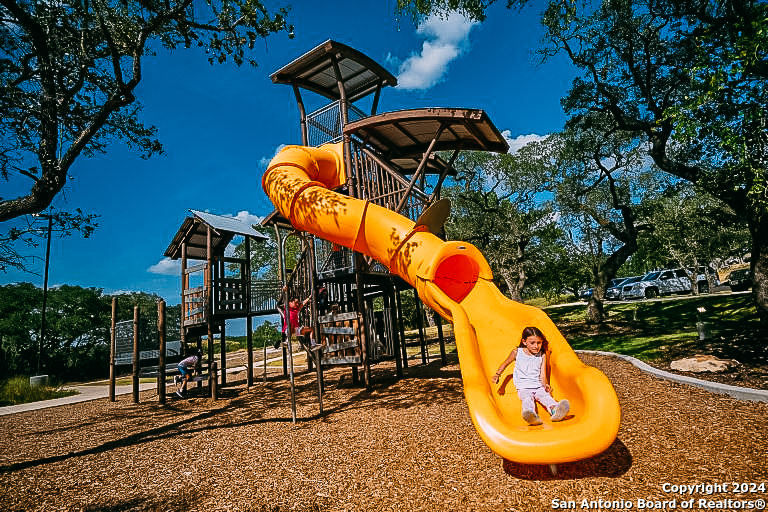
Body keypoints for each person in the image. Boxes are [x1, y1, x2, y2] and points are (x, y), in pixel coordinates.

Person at [491, 326, 570, 425]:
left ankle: (555, 410)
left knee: (546, 397)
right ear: (524, 342)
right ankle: (531, 416)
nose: (536, 346)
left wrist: (545, 385)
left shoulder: (542, 355)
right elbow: (505, 363)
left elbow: (542, 374)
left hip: (538, 385)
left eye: (539, 343)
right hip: (523, 387)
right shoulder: (517, 353)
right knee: (527, 399)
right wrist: (497, 375)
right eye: (532, 343)